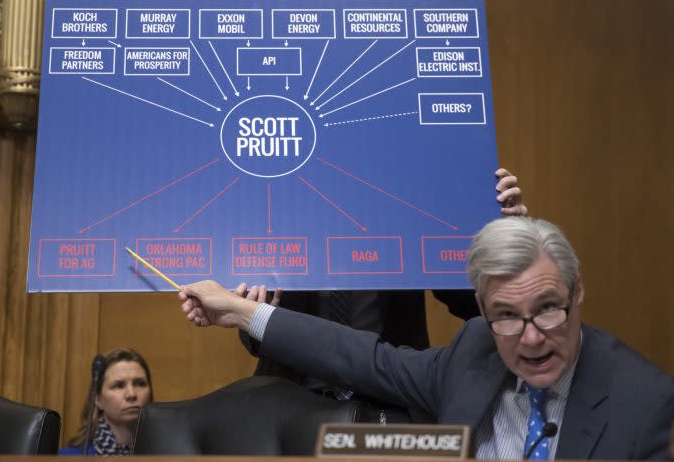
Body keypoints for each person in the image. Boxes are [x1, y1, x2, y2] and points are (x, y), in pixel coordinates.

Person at [179, 217, 674, 460]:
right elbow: (358, 358)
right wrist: (244, 313)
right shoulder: (473, 355)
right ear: (481, 313)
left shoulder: (646, 404)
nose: (531, 339)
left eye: (547, 310)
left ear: (578, 291)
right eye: (506, 316)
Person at [236, 168, 526, 420]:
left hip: (392, 399)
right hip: (288, 399)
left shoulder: (407, 201)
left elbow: (474, 302)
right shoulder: (281, 204)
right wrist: (248, 308)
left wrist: (503, 240)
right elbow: (255, 329)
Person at [59, 348, 153, 456]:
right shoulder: (66, 457)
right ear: (98, 399)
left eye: (140, 383)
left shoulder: (170, 455)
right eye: (119, 385)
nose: (131, 394)